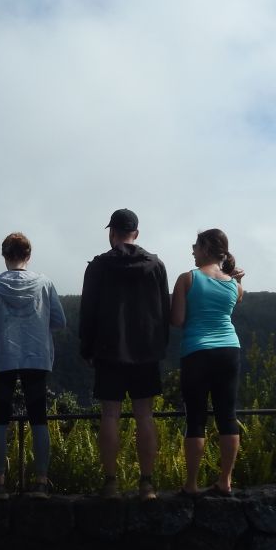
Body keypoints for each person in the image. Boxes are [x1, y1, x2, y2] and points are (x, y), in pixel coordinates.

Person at [79, 208, 170, 500]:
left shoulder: (98, 266)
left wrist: (87, 349)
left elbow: (88, 311)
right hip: (146, 352)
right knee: (145, 415)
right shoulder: (155, 265)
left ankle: (110, 483)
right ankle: (147, 484)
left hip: (109, 350)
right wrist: (159, 346)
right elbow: (164, 311)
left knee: (110, 415)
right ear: (136, 233)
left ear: (112, 233)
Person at [0, 232, 67, 499]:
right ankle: (41, 482)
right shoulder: (44, 283)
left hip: (3, 357)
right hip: (36, 357)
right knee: (39, 418)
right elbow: (60, 321)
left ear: (4, 255)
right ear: (29, 255)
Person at [169, 228, 244, 495]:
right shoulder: (235, 285)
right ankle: (225, 481)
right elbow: (234, 298)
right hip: (229, 350)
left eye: (196, 245)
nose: (192, 250)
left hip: (197, 351)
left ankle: (191, 484)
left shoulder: (187, 279)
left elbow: (177, 320)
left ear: (205, 249)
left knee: (196, 419)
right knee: (227, 415)